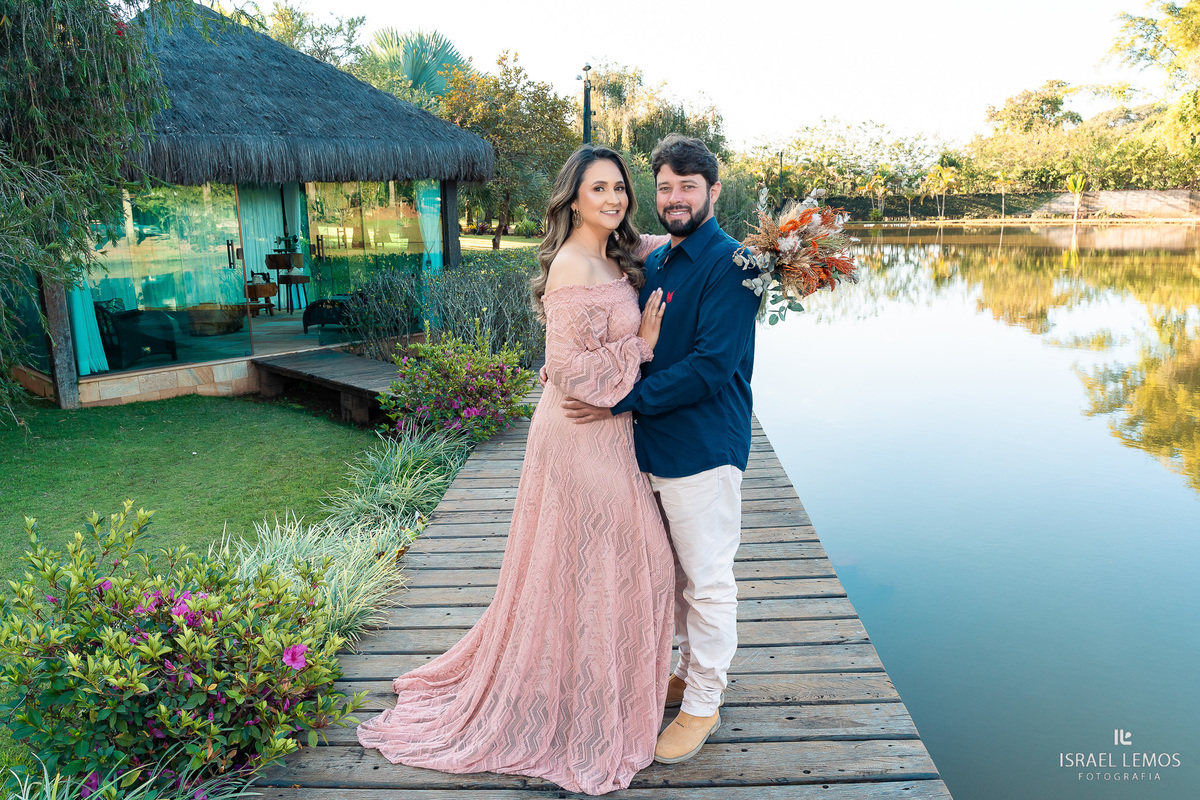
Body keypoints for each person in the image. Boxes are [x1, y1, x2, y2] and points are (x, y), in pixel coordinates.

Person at [356, 144, 675, 796]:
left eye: (619, 188)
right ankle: (582, 705)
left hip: (610, 433)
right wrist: (639, 345)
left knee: (623, 562)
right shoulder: (569, 265)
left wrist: (765, 257)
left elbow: (679, 250)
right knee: (612, 560)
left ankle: (605, 688)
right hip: (579, 436)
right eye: (599, 189)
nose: (613, 199)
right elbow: (570, 370)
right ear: (573, 198)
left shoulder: (621, 251)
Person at [562, 134, 761, 765]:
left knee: (706, 581)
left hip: (703, 449)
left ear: (713, 191)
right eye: (666, 187)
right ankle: (684, 668)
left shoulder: (736, 266)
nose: (675, 199)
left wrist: (615, 400)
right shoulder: (664, 257)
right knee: (670, 578)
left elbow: (710, 366)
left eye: (688, 187)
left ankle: (704, 701)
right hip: (647, 447)